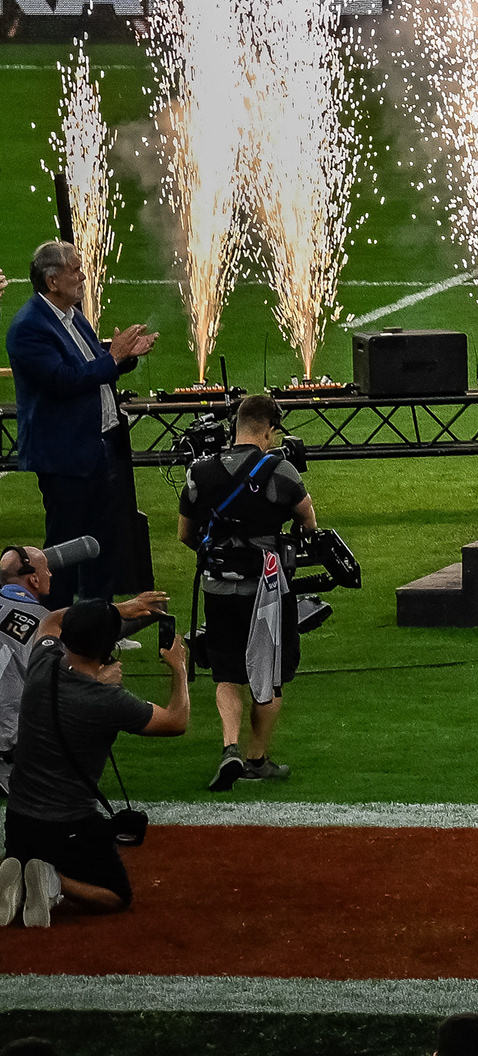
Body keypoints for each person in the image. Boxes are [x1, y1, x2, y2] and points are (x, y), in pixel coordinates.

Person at [1, 596, 187, 921]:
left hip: (19, 820)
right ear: (108, 647)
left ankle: (19, 867)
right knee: (117, 897)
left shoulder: (41, 664)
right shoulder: (108, 701)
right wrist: (179, 668)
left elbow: (51, 622)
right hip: (68, 827)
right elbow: (175, 721)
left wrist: (120, 608)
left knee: (27, 847)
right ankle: (52, 879)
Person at [177, 391, 311, 790]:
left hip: (217, 587)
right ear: (268, 431)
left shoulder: (199, 472)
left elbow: (185, 534)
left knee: (227, 671)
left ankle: (229, 746)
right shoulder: (281, 470)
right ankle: (256, 758)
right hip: (266, 590)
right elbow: (309, 521)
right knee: (269, 675)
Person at [10, 241, 152, 607]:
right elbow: (65, 380)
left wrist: (122, 357)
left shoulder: (72, 315)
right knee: (65, 549)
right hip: (64, 455)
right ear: (52, 280)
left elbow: (92, 363)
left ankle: (99, 623)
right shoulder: (29, 327)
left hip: (97, 447)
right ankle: (56, 629)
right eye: (75, 269)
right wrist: (114, 356)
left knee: (102, 541)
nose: (84, 276)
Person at [0, 540, 166, 769]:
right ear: (34, 580)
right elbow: (67, 690)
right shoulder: (42, 623)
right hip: (11, 750)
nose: (50, 573)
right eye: (46, 569)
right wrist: (99, 682)